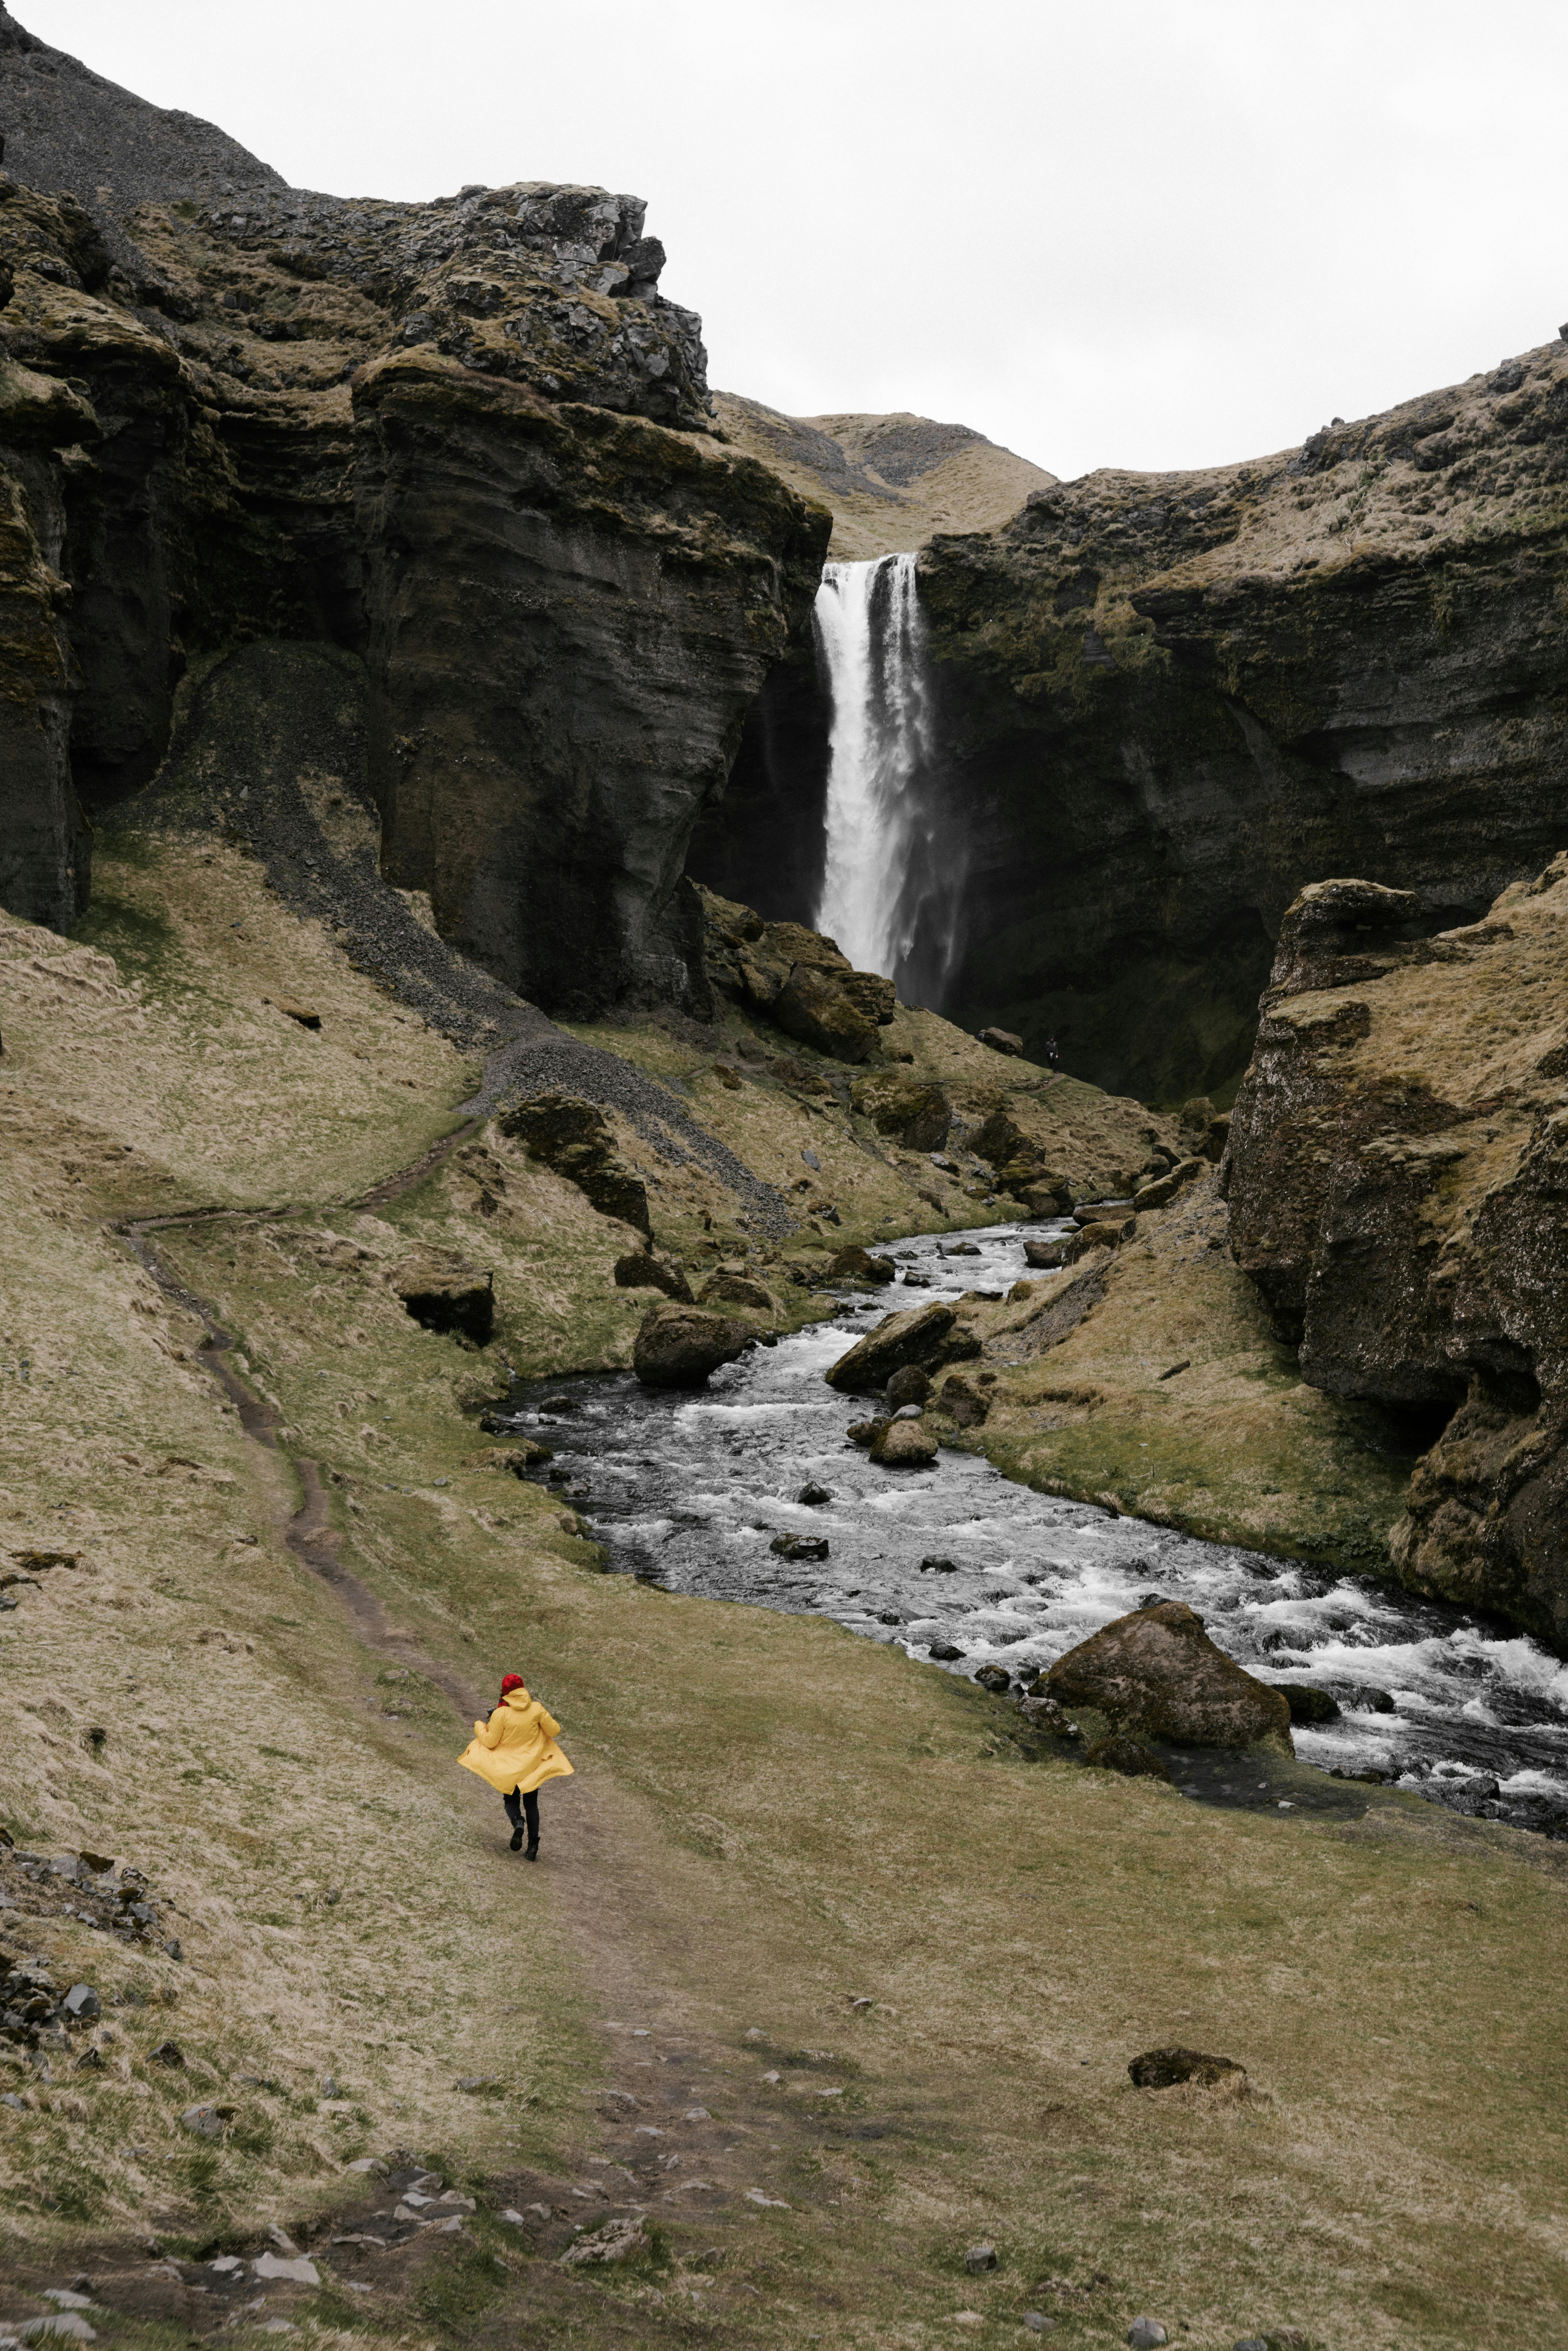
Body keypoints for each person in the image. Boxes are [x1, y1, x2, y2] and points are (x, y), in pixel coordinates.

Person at [457, 1673, 573, 1859]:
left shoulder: (501, 1714)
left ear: (505, 1692)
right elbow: (555, 1730)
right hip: (532, 1768)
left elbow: (490, 1742)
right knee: (532, 1804)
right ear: (523, 1689)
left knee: (511, 1802)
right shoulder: (536, 1709)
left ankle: (518, 1822)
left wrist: (480, 1726)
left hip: (509, 1768)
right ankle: (533, 1847)